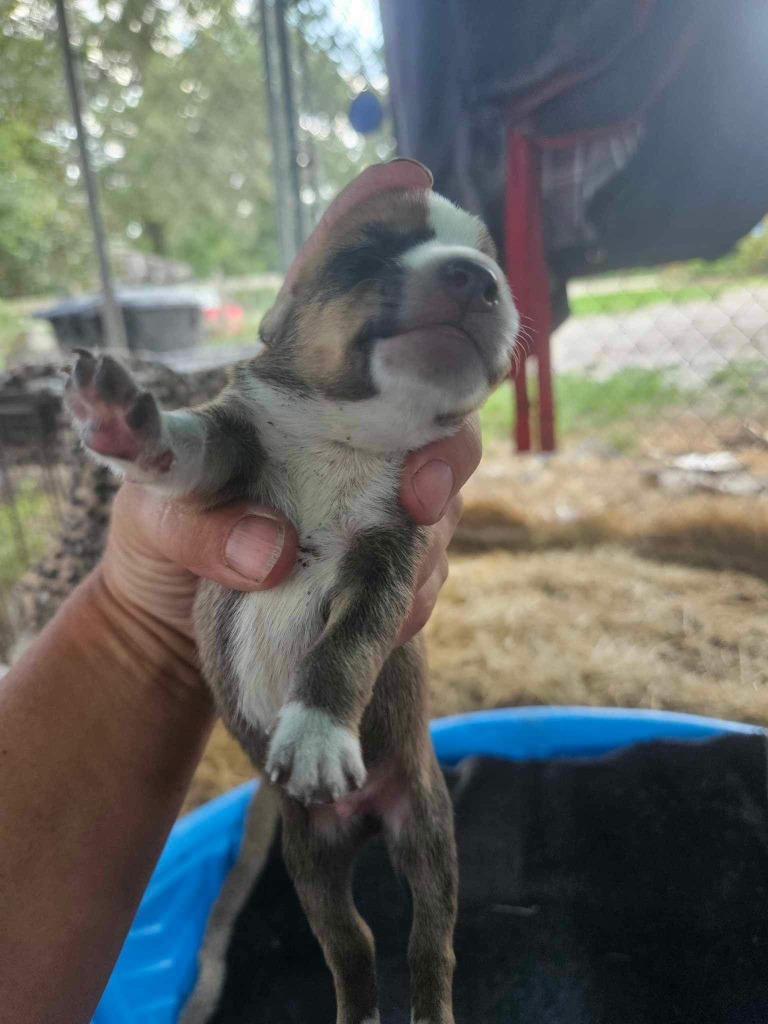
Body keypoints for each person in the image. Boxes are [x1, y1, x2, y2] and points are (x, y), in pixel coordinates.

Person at [0, 419, 480, 1024]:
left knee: (431, 925)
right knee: (338, 925)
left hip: (388, 758)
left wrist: (138, 611)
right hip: (303, 782)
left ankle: (430, 998)